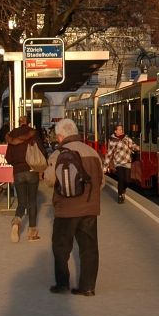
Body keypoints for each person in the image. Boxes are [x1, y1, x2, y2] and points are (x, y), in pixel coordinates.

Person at [45, 118, 103, 296]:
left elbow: (50, 180)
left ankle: (62, 284)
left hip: (66, 208)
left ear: (61, 136)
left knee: (61, 246)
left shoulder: (58, 153)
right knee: (89, 248)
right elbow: (100, 182)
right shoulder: (92, 152)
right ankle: (88, 287)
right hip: (89, 208)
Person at [5, 116, 42, 243]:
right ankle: (32, 234)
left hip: (18, 173)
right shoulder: (33, 134)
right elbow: (42, 151)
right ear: (29, 123)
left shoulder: (11, 136)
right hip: (31, 171)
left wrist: (17, 163)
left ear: (18, 123)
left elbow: (8, 157)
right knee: (32, 202)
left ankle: (16, 222)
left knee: (21, 203)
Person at [105, 123, 139, 204]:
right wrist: (105, 167)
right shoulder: (112, 140)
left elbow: (132, 144)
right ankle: (120, 195)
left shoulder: (126, 138)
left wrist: (136, 147)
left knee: (127, 180)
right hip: (118, 162)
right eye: (119, 129)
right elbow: (109, 154)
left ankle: (122, 189)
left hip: (127, 161)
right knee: (121, 178)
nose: (121, 131)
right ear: (115, 131)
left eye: (122, 129)